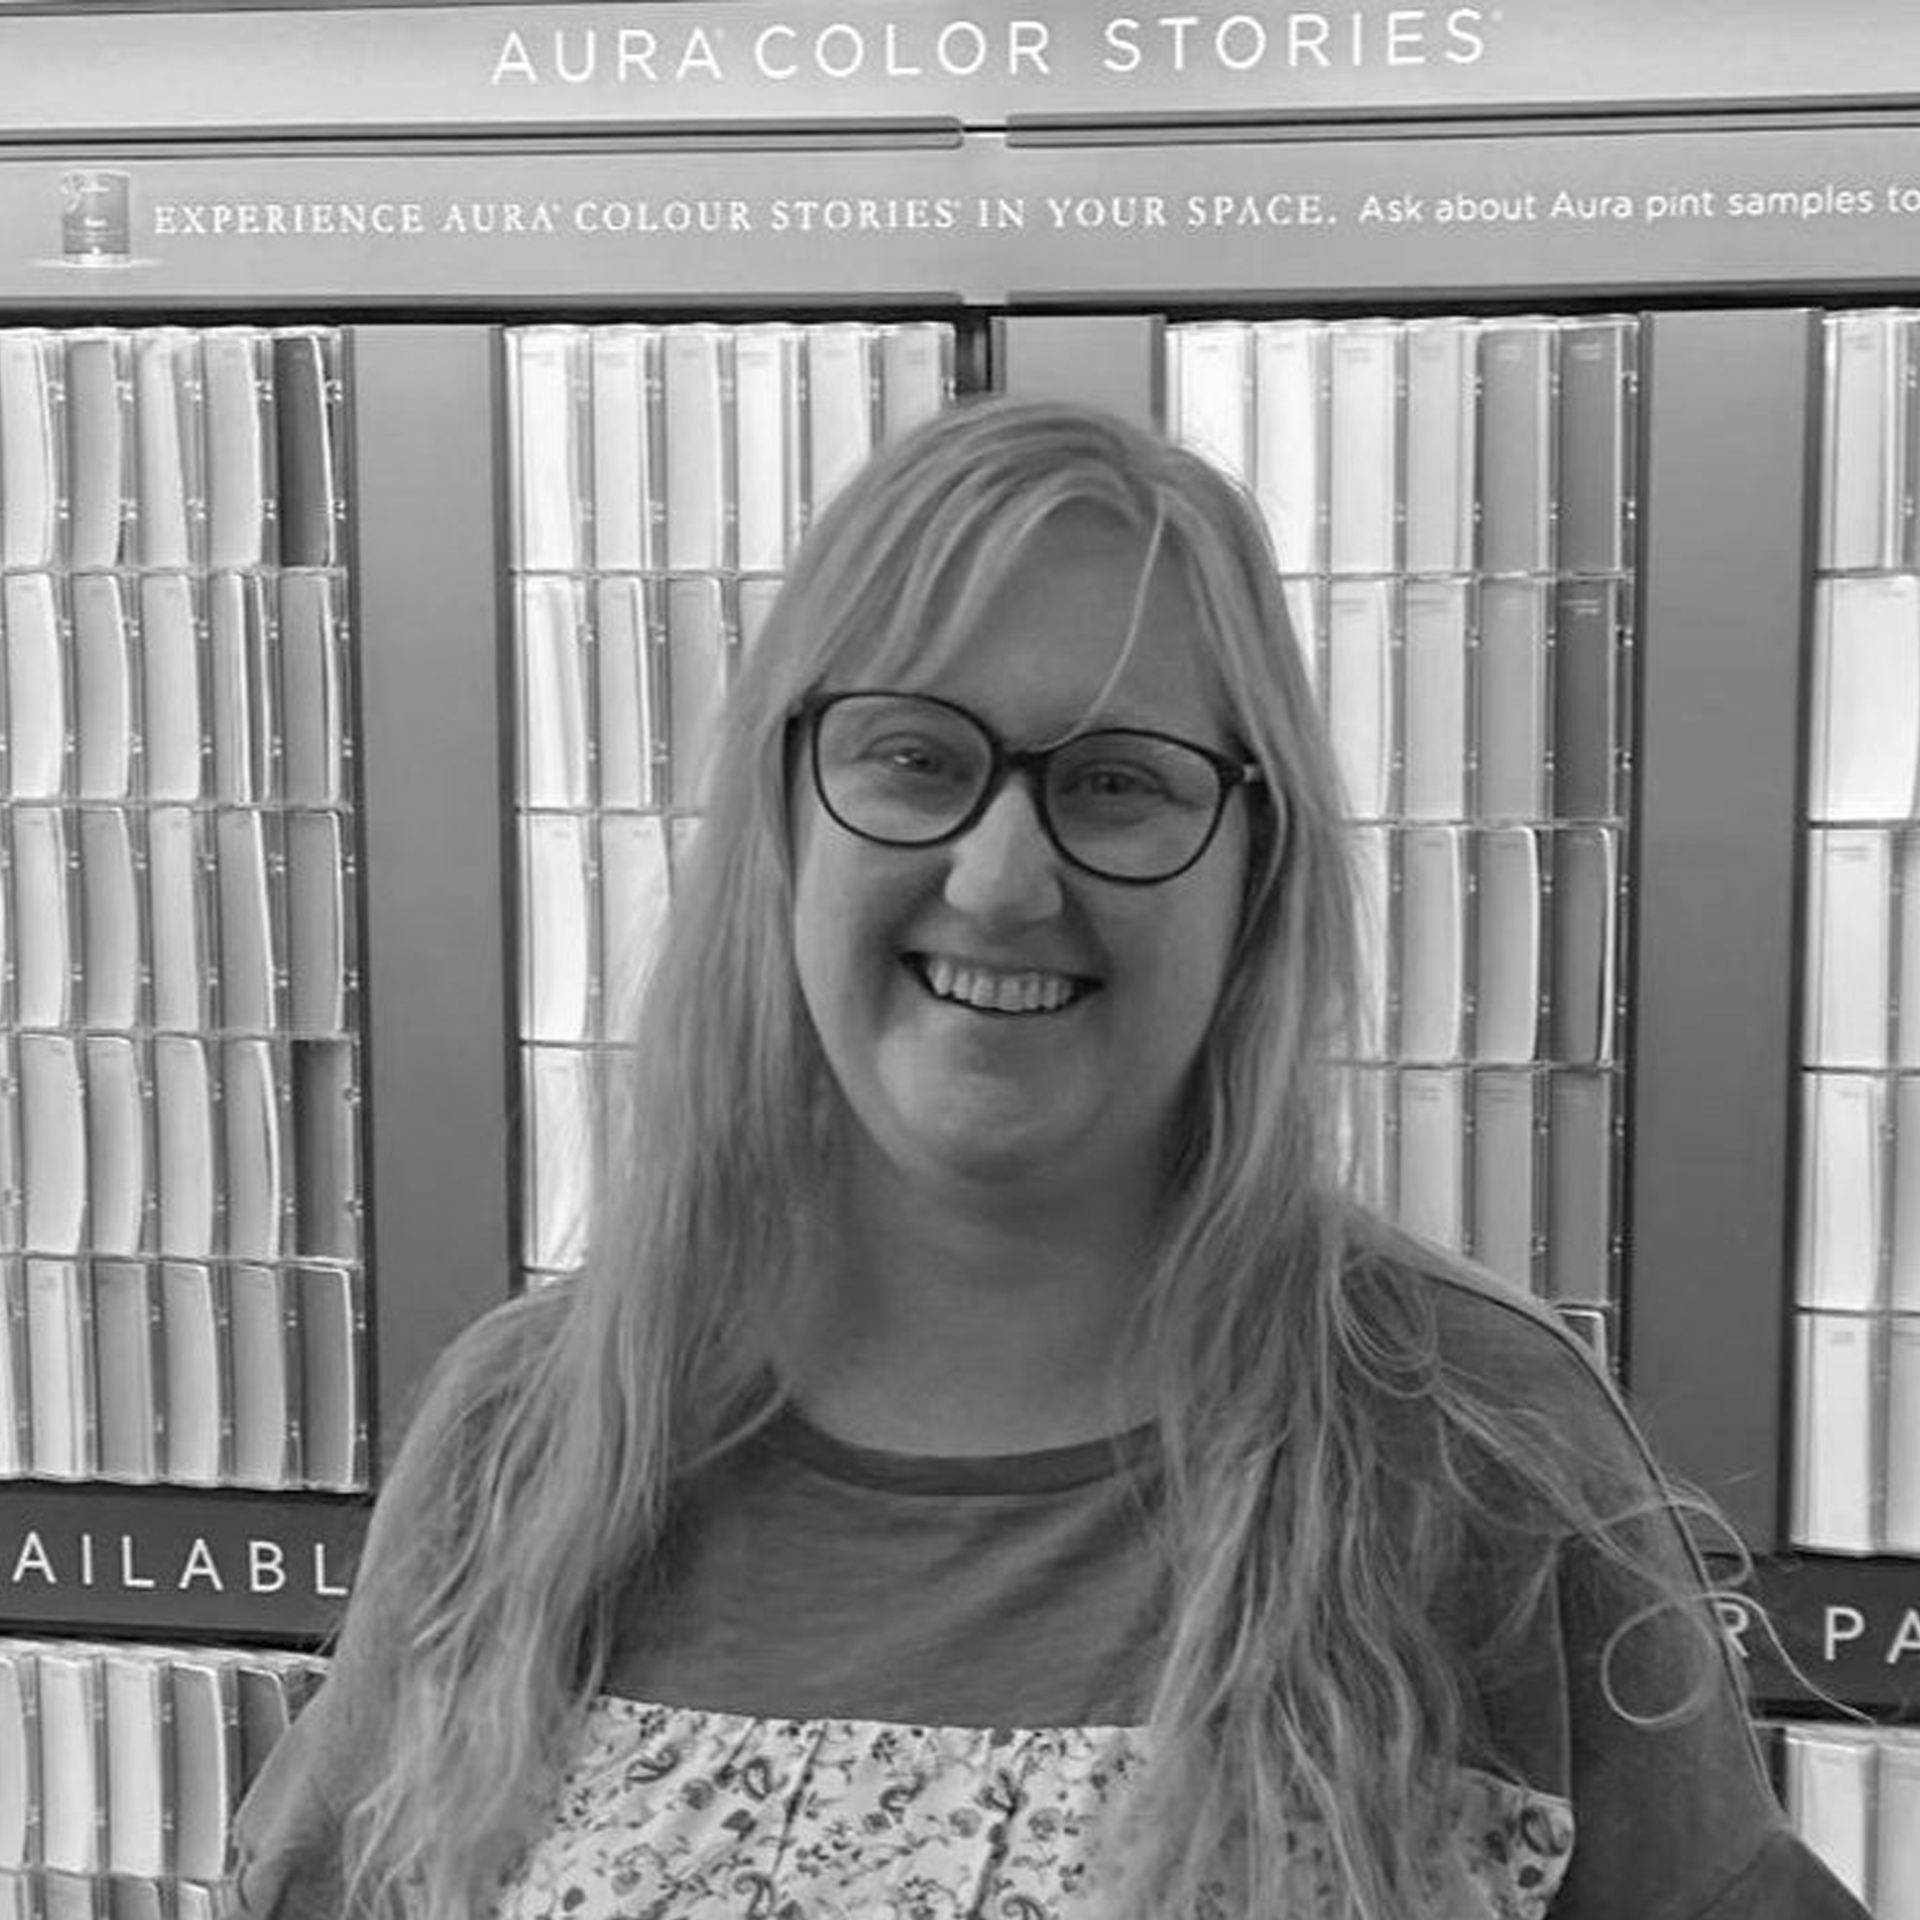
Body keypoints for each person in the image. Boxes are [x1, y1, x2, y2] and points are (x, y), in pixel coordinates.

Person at [225, 398, 1866, 1920]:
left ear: (1255, 877)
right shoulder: (531, 1440)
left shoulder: (1475, 1449)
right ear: (787, 815)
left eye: (1119, 784)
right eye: (915, 759)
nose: (1004, 881)